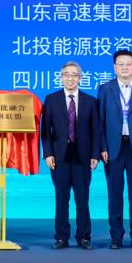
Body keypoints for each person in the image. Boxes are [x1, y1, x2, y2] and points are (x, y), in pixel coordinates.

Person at [98, 49, 132, 250]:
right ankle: (116, 237)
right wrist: (102, 147)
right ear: (114, 67)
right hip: (113, 148)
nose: (124, 67)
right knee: (114, 194)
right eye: (120, 64)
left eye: (128, 64)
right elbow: (100, 121)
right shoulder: (105, 89)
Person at [40, 61, 100, 250]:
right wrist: (48, 153)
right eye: (66, 74)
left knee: (82, 199)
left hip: (83, 157)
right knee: (61, 198)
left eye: (74, 75)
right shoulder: (51, 99)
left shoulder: (90, 101)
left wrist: (95, 155)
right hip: (59, 157)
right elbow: (45, 130)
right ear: (61, 77)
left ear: (80, 78)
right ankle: (61, 237)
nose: (70, 78)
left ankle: (84, 237)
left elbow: (95, 131)